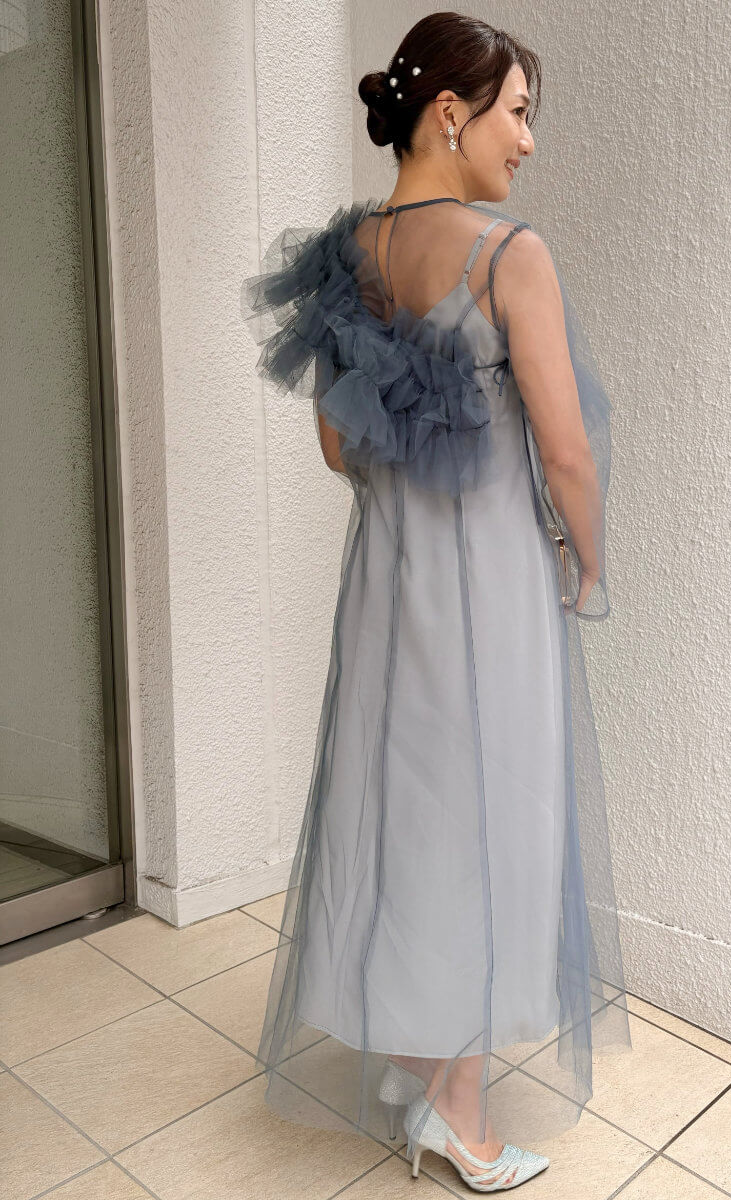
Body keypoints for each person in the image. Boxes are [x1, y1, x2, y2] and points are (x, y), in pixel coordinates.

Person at [240, 11, 632, 1192]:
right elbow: (566, 451)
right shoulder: (511, 256)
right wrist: (589, 557)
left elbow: (335, 447)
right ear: (450, 113)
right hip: (489, 596)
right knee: (491, 823)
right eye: (518, 113)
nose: (527, 141)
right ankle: (457, 1118)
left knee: (406, 817)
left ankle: (414, 1063)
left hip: (385, 588)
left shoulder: (347, 253)